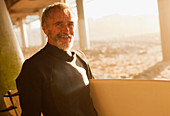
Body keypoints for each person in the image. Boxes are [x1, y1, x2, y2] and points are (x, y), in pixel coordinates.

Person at [16, 2, 98, 116]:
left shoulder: (80, 58)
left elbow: (97, 98)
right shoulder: (33, 68)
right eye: (59, 24)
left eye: (70, 24)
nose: (66, 30)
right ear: (45, 29)